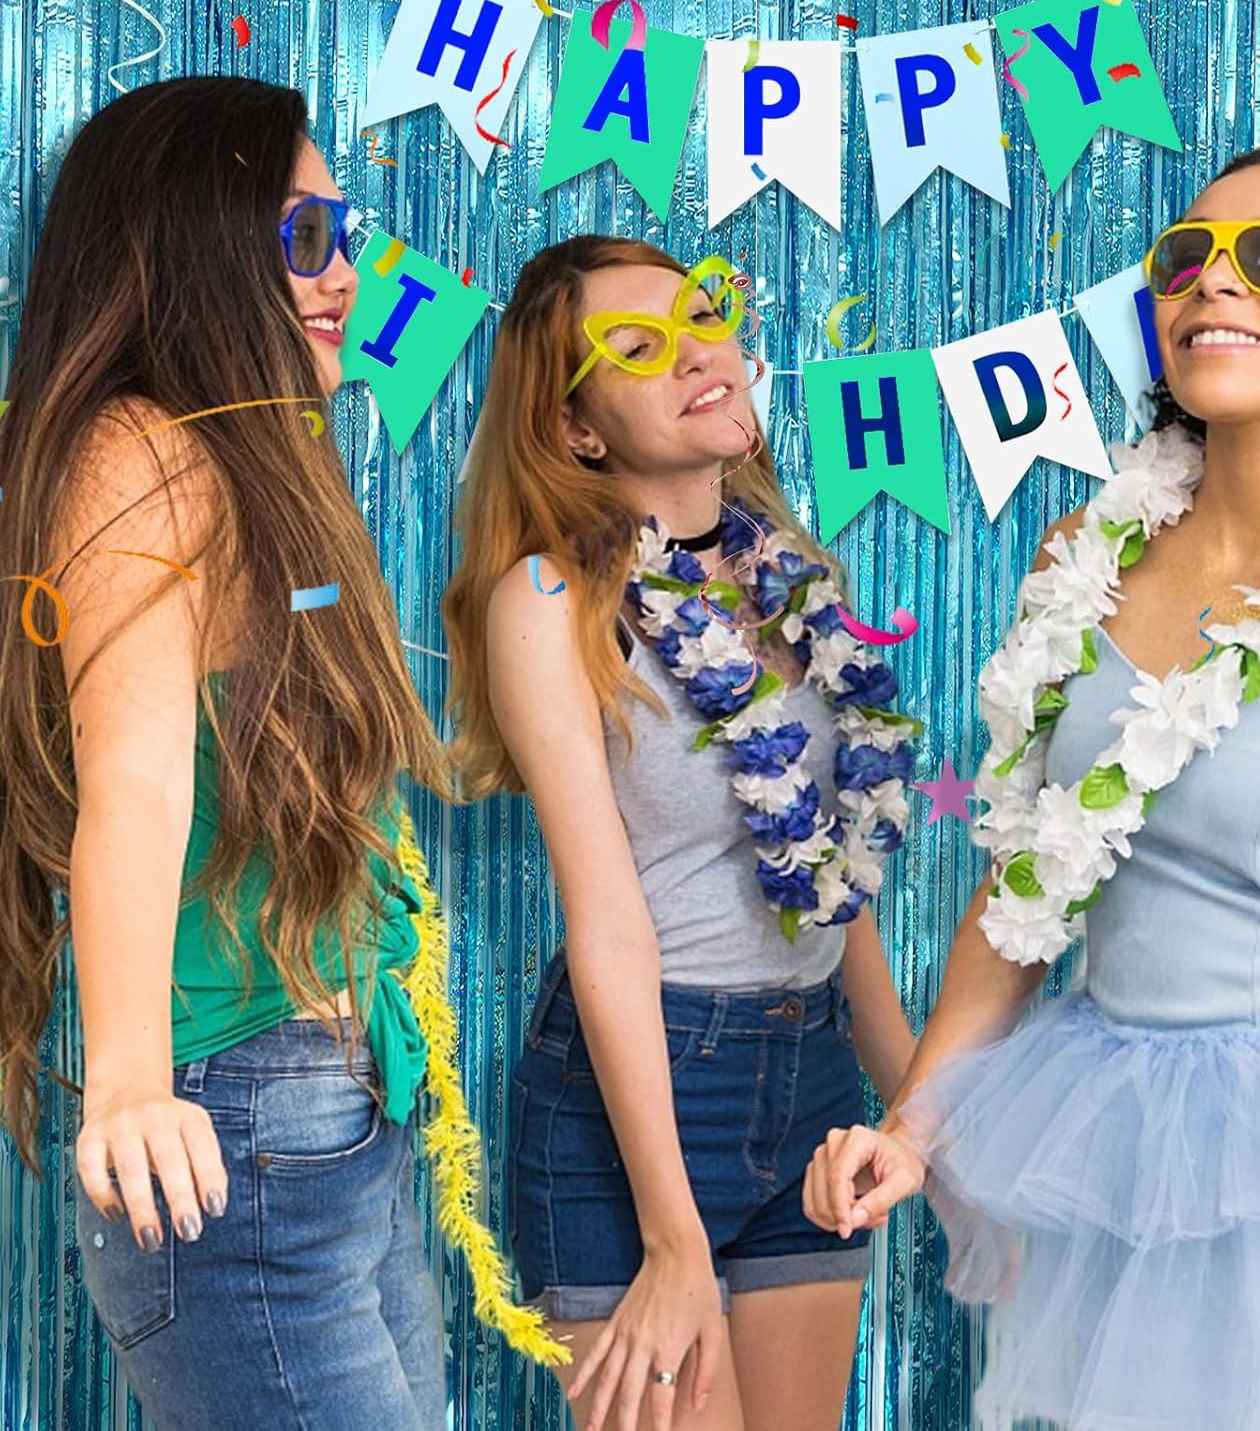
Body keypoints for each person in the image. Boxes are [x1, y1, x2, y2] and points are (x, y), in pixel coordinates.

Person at [803, 140, 1260, 1429]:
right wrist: (910, 1131)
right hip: (1115, 1147)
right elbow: (1023, 894)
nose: (1213, 283)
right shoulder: (1082, 554)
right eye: (1187, 259)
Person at [0, 76, 460, 1428]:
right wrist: (128, 1080)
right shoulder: (137, 451)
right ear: (195, 245)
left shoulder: (254, 462)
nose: (345, 274)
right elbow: (135, 779)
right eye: (306, 236)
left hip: (333, 1112)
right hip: (235, 1129)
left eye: (345, 234)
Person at [442, 236, 920, 1431]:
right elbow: (606, 923)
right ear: (577, 430)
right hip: (645, 1099)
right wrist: (671, 1237)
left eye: (702, 317)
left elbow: (831, 882)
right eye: (638, 347)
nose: (696, 352)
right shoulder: (549, 602)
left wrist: (922, 1114)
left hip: (813, 1075)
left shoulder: (792, 580)